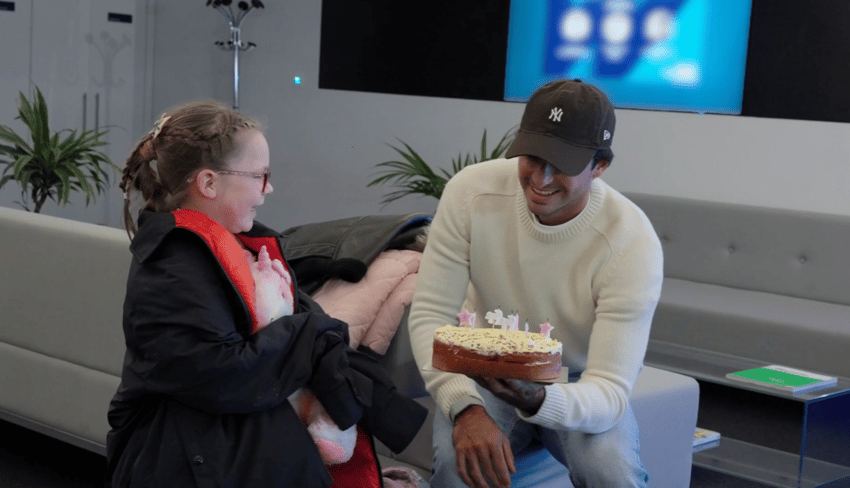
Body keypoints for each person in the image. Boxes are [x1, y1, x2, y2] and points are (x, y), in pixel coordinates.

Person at [105, 100, 426, 487]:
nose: (269, 188)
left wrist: (314, 336)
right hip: (178, 451)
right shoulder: (170, 266)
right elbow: (220, 375)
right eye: (260, 175)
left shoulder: (244, 246)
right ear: (208, 183)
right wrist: (307, 335)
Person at [408, 79, 663, 488]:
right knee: (457, 471)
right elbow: (429, 315)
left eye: (562, 162)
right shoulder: (470, 193)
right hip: (485, 368)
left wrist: (541, 400)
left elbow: (611, 391)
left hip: (577, 380)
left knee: (614, 475)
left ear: (600, 166)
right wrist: (464, 408)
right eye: (533, 155)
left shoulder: (631, 241)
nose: (541, 178)